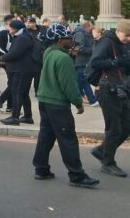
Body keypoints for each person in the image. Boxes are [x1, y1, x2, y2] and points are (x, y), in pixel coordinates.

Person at [32, 24, 100, 188]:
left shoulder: (49, 52)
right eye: (67, 38)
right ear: (59, 40)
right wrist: (78, 103)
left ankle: (41, 168)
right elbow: (69, 85)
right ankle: (77, 175)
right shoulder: (64, 59)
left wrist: (71, 56)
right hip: (58, 104)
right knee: (68, 139)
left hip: (45, 101)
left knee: (46, 136)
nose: (71, 40)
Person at [87, 19, 130, 178]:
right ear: (118, 31)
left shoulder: (122, 44)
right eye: (127, 35)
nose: (129, 39)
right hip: (107, 89)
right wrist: (116, 62)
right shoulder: (106, 42)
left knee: (127, 125)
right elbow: (95, 62)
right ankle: (108, 163)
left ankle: (101, 151)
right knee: (114, 128)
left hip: (120, 88)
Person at [0, 20, 35, 125]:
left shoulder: (22, 38)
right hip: (24, 69)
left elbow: (15, 53)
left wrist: (3, 57)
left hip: (20, 69)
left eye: (9, 27)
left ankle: (15, 117)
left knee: (17, 92)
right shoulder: (24, 36)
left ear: (15, 28)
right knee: (23, 93)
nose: (8, 29)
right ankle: (28, 116)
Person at [72, 21, 98, 107]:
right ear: (88, 26)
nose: (92, 28)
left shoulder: (83, 34)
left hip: (82, 61)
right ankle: (92, 100)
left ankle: (82, 97)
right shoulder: (81, 34)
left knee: (81, 81)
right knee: (84, 80)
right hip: (81, 61)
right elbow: (79, 48)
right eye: (91, 27)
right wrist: (93, 50)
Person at [0, 15, 14, 113]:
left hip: (9, 60)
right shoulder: (3, 33)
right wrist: (7, 56)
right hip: (5, 60)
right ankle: (0, 100)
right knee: (13, 82)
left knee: (12, 82)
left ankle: (10, 106)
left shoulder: (12, 34)